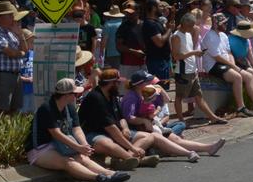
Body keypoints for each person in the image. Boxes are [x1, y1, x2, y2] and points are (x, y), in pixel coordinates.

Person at [79, 68, 224, 167]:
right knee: (108, 144)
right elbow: (111, 127)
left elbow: (121, 117)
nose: (119, 85)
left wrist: (124, 127)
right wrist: (132, 142)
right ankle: (132, 157)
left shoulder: (111, 95)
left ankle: (130, 158)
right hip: (96, 133)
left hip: (124, 129)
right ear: (110, 83)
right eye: (117, 83)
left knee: (161, 135)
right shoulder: (97, 98)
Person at [26, 78, 129, 182]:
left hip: (59, 145)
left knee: (83, 158)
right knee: (67, 161)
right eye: (75, 94)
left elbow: (77, 128)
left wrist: (84, 144)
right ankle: (97, 177)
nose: (77, 96)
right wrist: (77, 147)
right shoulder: (47, 108)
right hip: (40, 149)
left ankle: (110, 174)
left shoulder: (69, 107)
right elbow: (56, 133)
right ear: (66, 95)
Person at [122, 70, 226, 155]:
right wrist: (144, 120)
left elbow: (165, 102)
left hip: (153, 125)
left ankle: (208, 148)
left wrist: (161, 89)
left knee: (177, 132)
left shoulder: (147, 93)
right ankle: (195, 151)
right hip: (141, 129)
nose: (151, 83)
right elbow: (129, 118)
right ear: (140, 84)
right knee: (172, 138)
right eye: (148, 82)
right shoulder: (131, 97)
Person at [200, 13, 253, 117]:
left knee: (249, 75)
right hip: (213, 65)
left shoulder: (223, 35)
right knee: (237, 77)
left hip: (225, 63)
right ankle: (240, 108)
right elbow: (217, 57)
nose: (226, 24)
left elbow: (229, 53)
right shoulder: (209, 36)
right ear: (216, 24)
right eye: (223, 23)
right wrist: (233, 67)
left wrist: (233, 64)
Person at [171, 12, 226, 124]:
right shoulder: (176, 36)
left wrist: (196, 54)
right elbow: (176, 56)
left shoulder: (187, 34)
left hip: (192, 69)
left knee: (199, 96)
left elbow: (187, 52)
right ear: (184, 24)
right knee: (179, 97)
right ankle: (181, 120)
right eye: (191, 26)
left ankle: (213, 117)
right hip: (183, 71)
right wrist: (194, 53)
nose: (193, 28)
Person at [0, 0, 29, 120]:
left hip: (15, 74)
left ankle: (6, 135)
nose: (13, 18)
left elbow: (24, 49)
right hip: (2, 75)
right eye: (10, 15)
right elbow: (11, 53)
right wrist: (21, 52)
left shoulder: (10, 32)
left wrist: (20, 35)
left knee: (14, 109)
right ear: (0, 17)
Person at [141, 0, 173, 81]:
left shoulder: (156, 22)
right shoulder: (151, 24)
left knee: (164, 88)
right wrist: (170, 29)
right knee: (159, 88)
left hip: (162, 61)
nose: (163, 8)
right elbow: (159, 42)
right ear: (153, 8)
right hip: (157, 63)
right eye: (160, 6)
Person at [101, 5, 125, 70]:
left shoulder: (107, 24)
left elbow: (104, 41)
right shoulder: (124, 23)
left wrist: (101, 52)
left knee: (113, 73)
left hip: (111, 53)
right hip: (124, 52)